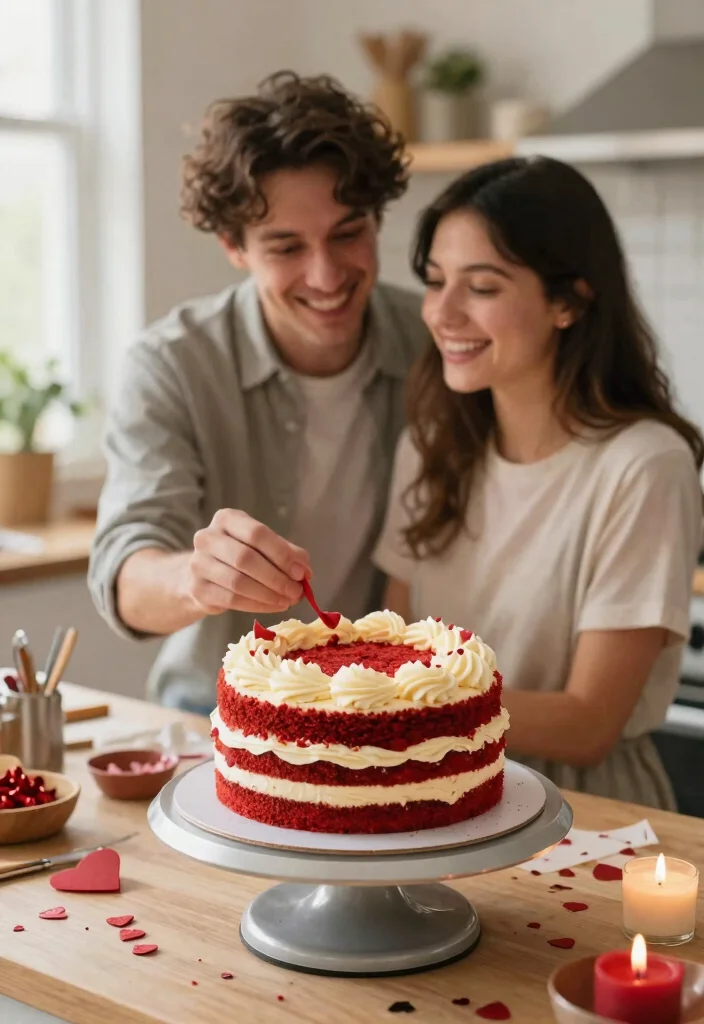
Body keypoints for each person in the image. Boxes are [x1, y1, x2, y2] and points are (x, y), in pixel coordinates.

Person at [88, 71, 429, 714]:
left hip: (382, 709)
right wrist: (197, 579)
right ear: (233, 247)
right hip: (211, 716)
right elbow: (125, 575)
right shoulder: (172, 365)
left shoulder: (434, 345)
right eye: (286, 246)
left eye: (347, 232)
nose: (326, 274)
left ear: (377, 219)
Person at [374, 156, 704, 809]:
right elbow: (396, 645)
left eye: (483, 287)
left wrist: (394, 705)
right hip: (431, 797)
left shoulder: (642, 466)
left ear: (569, 301)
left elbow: (587, 724)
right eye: (437, 281)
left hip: (582, 817)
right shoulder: (431, 446)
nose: (442, 312)